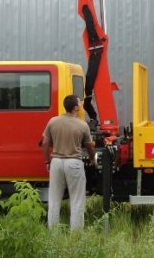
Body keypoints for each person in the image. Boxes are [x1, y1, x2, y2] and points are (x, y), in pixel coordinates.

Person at [41, 94, 96, 230]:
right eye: (79, 103)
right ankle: (76, 235)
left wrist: (47, 161)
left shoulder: (53, 121)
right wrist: (92, 159)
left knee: (54, 200)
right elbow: (89, 146)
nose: (81, 105)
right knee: (77, 200)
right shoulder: (82, 125)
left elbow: (45, 143)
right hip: (74, 163)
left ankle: (53, 234)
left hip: (56, 162)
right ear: (76, 108)